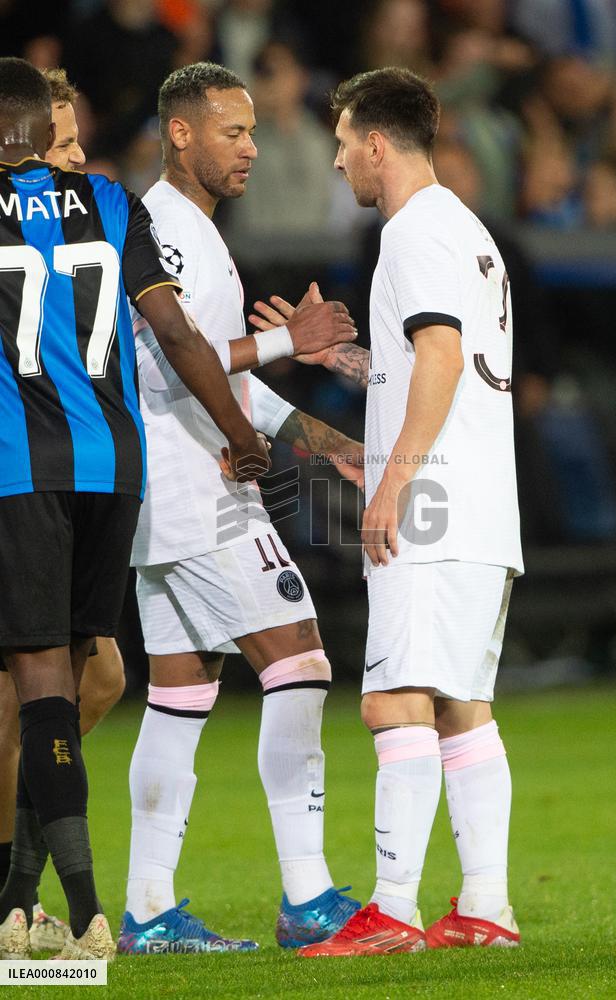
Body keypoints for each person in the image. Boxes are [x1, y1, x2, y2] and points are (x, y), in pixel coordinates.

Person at [0, 54, 284, 963]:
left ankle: (80, 915)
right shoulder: (115, 203)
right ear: (46, 128)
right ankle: (19, 900)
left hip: (19, 466)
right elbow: (174, 330)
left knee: (41, 686)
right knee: (87, 677)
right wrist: (241, 433)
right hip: (113, 468)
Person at [118, 62, 363, 956]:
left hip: (171, 491)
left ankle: (147, 909)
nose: (252, 148)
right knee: (298, 659)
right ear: (180, 133)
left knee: (181, 694)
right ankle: (310, 900)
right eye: (233, 131)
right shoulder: (166, 233)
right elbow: (164, 363)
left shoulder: (197, 234)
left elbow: (221, 373)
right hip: (194, 487)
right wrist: (282, 340)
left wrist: (336, 449)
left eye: (254, 131)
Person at [283, 66, 523, 955]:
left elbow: (440, 358)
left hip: (435, 503)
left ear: (375, 143)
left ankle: (390, 909)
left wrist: (393, 483)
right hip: (481, 504)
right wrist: (344, 363)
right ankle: (487, 907)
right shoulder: (464, 228)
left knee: (392, 700)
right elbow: (434, 363)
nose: (338, 158)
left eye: (343, 142)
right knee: (462, 706)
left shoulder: (414, 232)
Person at [0, 67, 127, 955]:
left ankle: (17, 901)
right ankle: (48, 909)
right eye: (63, 144)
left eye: (79, 142)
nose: (76, 158)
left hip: (48, 468)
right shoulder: (113, 213)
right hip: (70, 464)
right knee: (31, 695)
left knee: (78, 681)